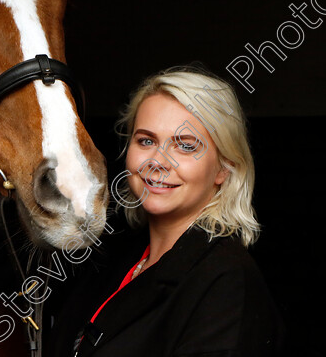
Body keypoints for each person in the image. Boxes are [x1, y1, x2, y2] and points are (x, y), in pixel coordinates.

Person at [44, 64, 284, 356]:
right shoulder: (112, 259)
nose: (158, 161)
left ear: (224, 168)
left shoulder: (227, 283)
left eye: (184, 146)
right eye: (146, 141)